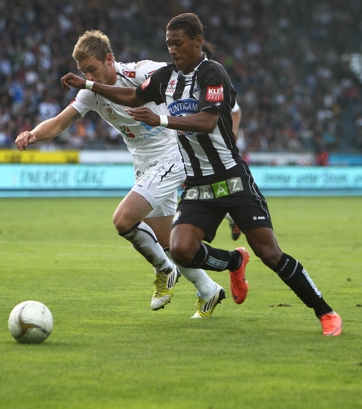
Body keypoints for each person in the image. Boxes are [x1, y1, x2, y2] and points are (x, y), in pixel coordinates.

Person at [60, 13, 342, 336]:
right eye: (169, 45)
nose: (173, 50)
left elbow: (208, 120)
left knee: (269, 252)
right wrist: (88, 84)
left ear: (198, 42)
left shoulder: (213, 74)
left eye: (178, 43)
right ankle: (234, 263)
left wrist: (161, 121)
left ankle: (325, 312)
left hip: (232, 178)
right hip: (198, 183)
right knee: (180, 249)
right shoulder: (166, 77)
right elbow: (131, 96)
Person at [15, 30, 227, 318]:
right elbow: (59, 122)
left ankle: (164, 270)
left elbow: (183, 72)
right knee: (168, 242)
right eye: (84, 71)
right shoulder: (90, 93)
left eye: (91, 68)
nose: (88, 75)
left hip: (173, 154)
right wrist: (33, 134)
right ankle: (208, 290)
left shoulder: (142, 72)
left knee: (123, 219)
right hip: (143, 163)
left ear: (109, 59)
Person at [202, 41, 242, 241]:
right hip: (188, 149)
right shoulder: (180, 83)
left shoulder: (215, 81)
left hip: (215, 150)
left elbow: (235, 109)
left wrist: (233, 132)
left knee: (210, 190)